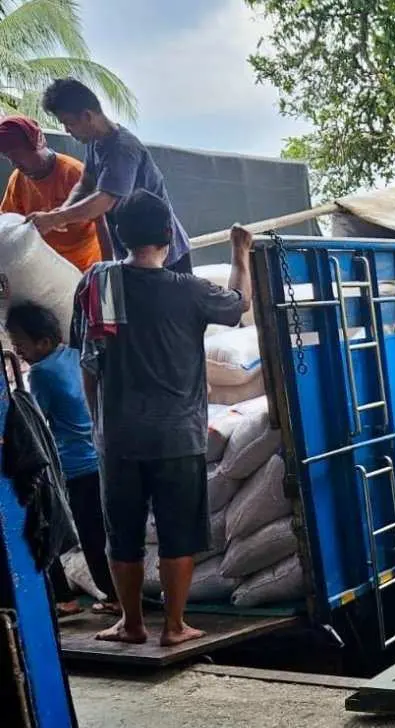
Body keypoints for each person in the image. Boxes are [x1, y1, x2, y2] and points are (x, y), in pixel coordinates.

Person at [71, 190, 251, 646]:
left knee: (123, 533)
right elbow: (238, 303)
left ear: (117, 234)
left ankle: (131, 623)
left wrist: (99, 424)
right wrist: (240, 250)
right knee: (177, 532)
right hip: (177, 437)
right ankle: (174, 626)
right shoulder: (189, 290)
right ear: (169, 235)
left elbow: (90, 361)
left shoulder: (100, 284)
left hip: (119, 436)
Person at [6, 302, 119, 616]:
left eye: (19, 345)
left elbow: (35, 422)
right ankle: (114, 592)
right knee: (104, 530)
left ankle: (104, 597)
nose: (19, 351)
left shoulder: (41, 373)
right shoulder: (73, 356)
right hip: (98, 458)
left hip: (72, 466)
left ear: (42, 342)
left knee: (85, 533)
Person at [31, 78, 193, 273]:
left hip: (163, 253)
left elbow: (104, 201)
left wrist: (55, 220)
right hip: (133, 253)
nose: (66, 130)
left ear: (87, 116)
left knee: (172, 303)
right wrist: (60, 213)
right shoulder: (95, 142)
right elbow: (85, 184)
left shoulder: (122, 149)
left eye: (69, 123)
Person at [0, 116, 102, 272]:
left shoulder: (74, 173)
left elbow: (103, 222)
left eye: (17, 155)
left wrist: (108, 271)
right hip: (40, 267)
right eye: (8, 158)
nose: (14, 163)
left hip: (82, 268)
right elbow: (7, 221)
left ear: (37, 143)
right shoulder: (18, 178)